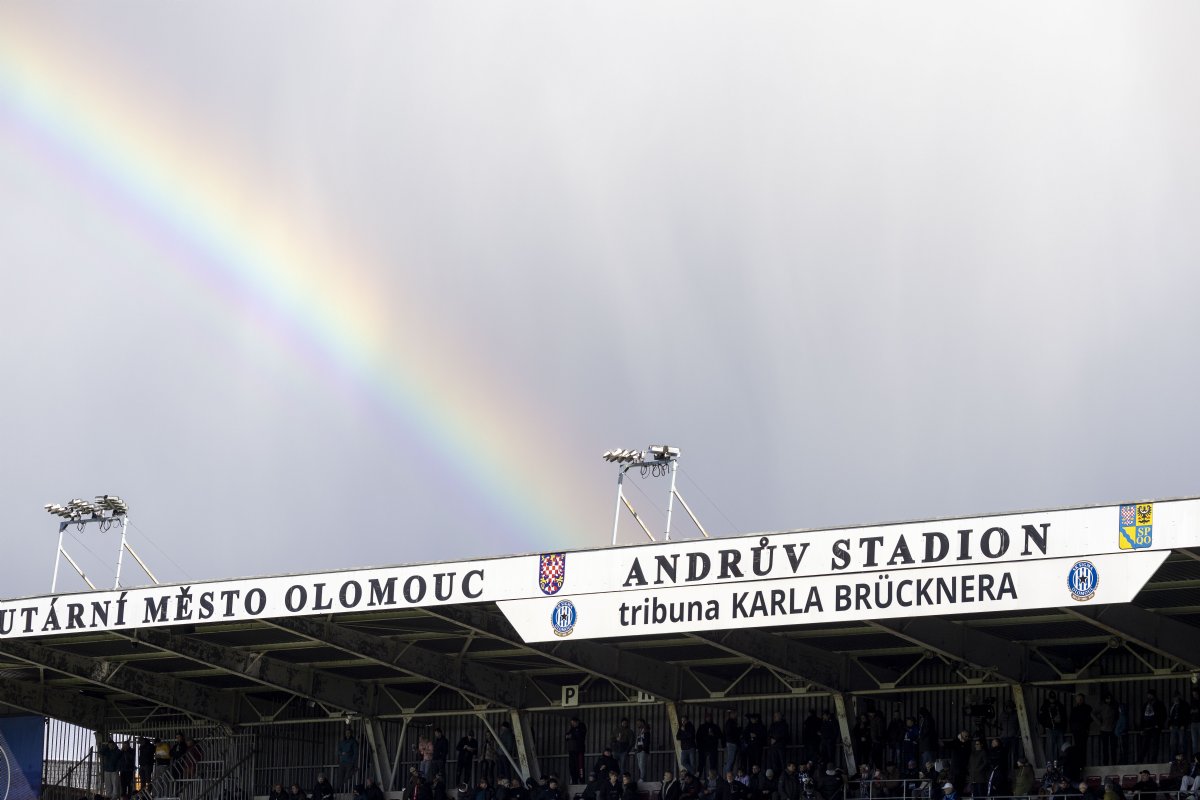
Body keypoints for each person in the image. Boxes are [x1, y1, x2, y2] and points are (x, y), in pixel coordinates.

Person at [1143, 691, 1168, 763]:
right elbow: (1143, 716)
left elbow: (1163, 715)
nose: (1148, 697)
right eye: (1148, 695)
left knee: (1155, 744)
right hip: (1147, 727)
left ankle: (1153, 760)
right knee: (1145, 744)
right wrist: (1143, 727)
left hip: (1155, 727)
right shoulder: (1146, 704)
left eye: (1150, 695)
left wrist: (1159, 724)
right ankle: (1141, 759)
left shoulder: (1159, 704)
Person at [1070, 695, 1094, 764]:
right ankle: (1079, 763)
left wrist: (1086, 726)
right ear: (1076, 700)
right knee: (1077, 748)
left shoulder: (1087, 708)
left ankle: (1083, 764)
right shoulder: (1074, 709)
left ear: (1083, 699)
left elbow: (1091, 718)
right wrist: (1072, 729)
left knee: (1083, 748)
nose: (1079, 700)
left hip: (1084, 731)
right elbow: (1071, 720)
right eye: (1078, 699)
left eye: (1081, 699)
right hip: (1076, 731)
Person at [1096, 694, 1119, 765]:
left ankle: (1114, 762)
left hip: (1112, 729)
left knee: (1113, 747)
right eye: (1107, 698)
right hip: (1104, 729)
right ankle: (1105, 763)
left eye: (1109, 698)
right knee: (1105, 748)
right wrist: (1099, 722)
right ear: (1104, 699)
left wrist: (1116, 723)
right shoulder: (1102, 706)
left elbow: (1118, 716)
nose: (1108, 700)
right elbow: (1092, 713)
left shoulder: (1114, 706)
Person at [99, 735, 121, 799]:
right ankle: (109, 796)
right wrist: (106, 746)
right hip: (107, 770)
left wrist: (115, 747)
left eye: (111, 745)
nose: (110, 746)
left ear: (114, 745)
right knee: (108, 784)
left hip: (114, 770)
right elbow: (100, 751)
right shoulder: (107, 751)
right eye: (109, 745)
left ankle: (114, 797)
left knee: (115, 784)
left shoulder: (117, 751)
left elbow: (119, 754)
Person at [567, 718, 589, 784]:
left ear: (577, 722)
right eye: (571, 723)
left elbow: (579, 735)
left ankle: (581, 781)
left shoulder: (581, 727)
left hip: (579, 751)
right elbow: (567, 736)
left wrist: (572, 735)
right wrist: (571, 735)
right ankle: (574, 781)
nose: (572, 724)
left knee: (580, 766)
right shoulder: (571, 729)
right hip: (571, 751)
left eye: (573, 722)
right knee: (572, 766)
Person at [725, 712, 743, 776]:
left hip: (733, 742)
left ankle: (729, 775)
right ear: (731, 714)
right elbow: (730, 733)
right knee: (731, 760)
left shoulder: (732, 722)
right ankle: (728, 775)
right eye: (734, 713)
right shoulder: (730, 723)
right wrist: (738, 731)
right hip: (732, 743)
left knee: (732, 760)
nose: (736, 715)